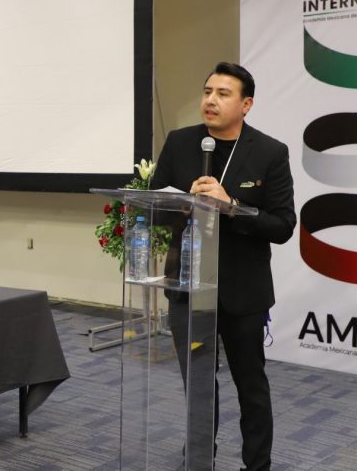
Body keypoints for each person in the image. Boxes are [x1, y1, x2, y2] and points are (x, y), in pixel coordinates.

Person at [150, 62, 296, 471]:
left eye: (223, 94)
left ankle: (257, 465)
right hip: (187, 285)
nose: (211, 100)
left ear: (246, 104)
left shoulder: (269, 152)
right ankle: (199, 460)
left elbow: (282, 226)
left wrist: (231, 206)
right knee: (197, 385)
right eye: (207, 91)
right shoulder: (180, 142)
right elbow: (155, 208)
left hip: (242, 291)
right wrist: (183, 204)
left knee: (251, 387)